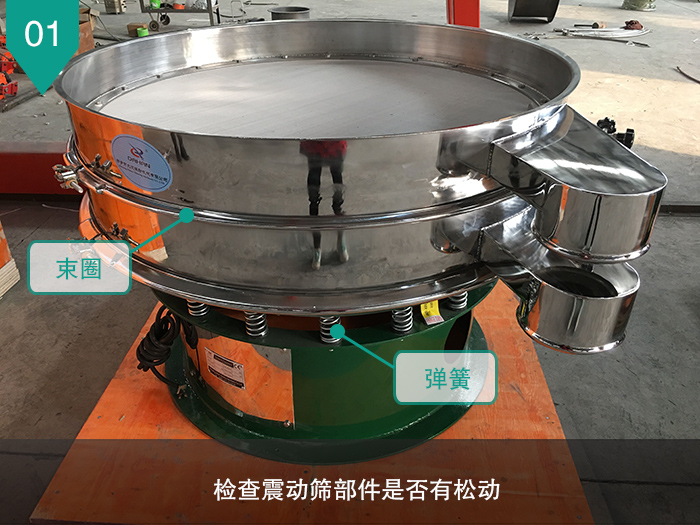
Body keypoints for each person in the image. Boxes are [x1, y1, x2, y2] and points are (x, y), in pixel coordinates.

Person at [300, 140, 349, 270]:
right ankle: (317, 248)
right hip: (317, 143)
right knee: (314, 193)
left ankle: (339, 238)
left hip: (331, 142)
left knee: (336, 189)